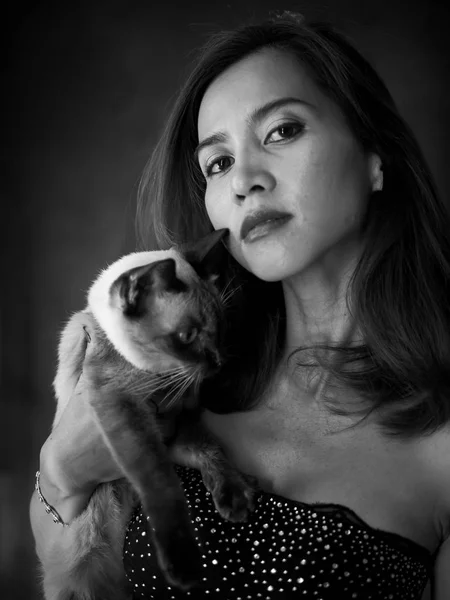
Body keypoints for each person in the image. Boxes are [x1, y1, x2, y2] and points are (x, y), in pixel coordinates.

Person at [30, 11, 450, 600]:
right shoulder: (169, 376)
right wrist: (62, 471)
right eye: (218, 163)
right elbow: (69, 570)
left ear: (373, 155)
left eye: (281, 131)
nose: (244, 180)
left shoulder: (442, 447)